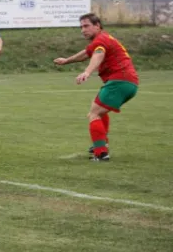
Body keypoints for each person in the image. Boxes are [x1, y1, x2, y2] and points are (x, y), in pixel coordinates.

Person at [53, 13, 139, 161]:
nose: (83, 30)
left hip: (119, 81)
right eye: (81, 27)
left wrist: (87, 72)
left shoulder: (101, 41)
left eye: (86, 26)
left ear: (97, 25)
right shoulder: (103, 39)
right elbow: (86, 53)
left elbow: (98, 54)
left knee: (94, 114)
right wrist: (67, 60)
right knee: (100, 111)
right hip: (128, 82)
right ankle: (100, 142)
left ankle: (101, 152)